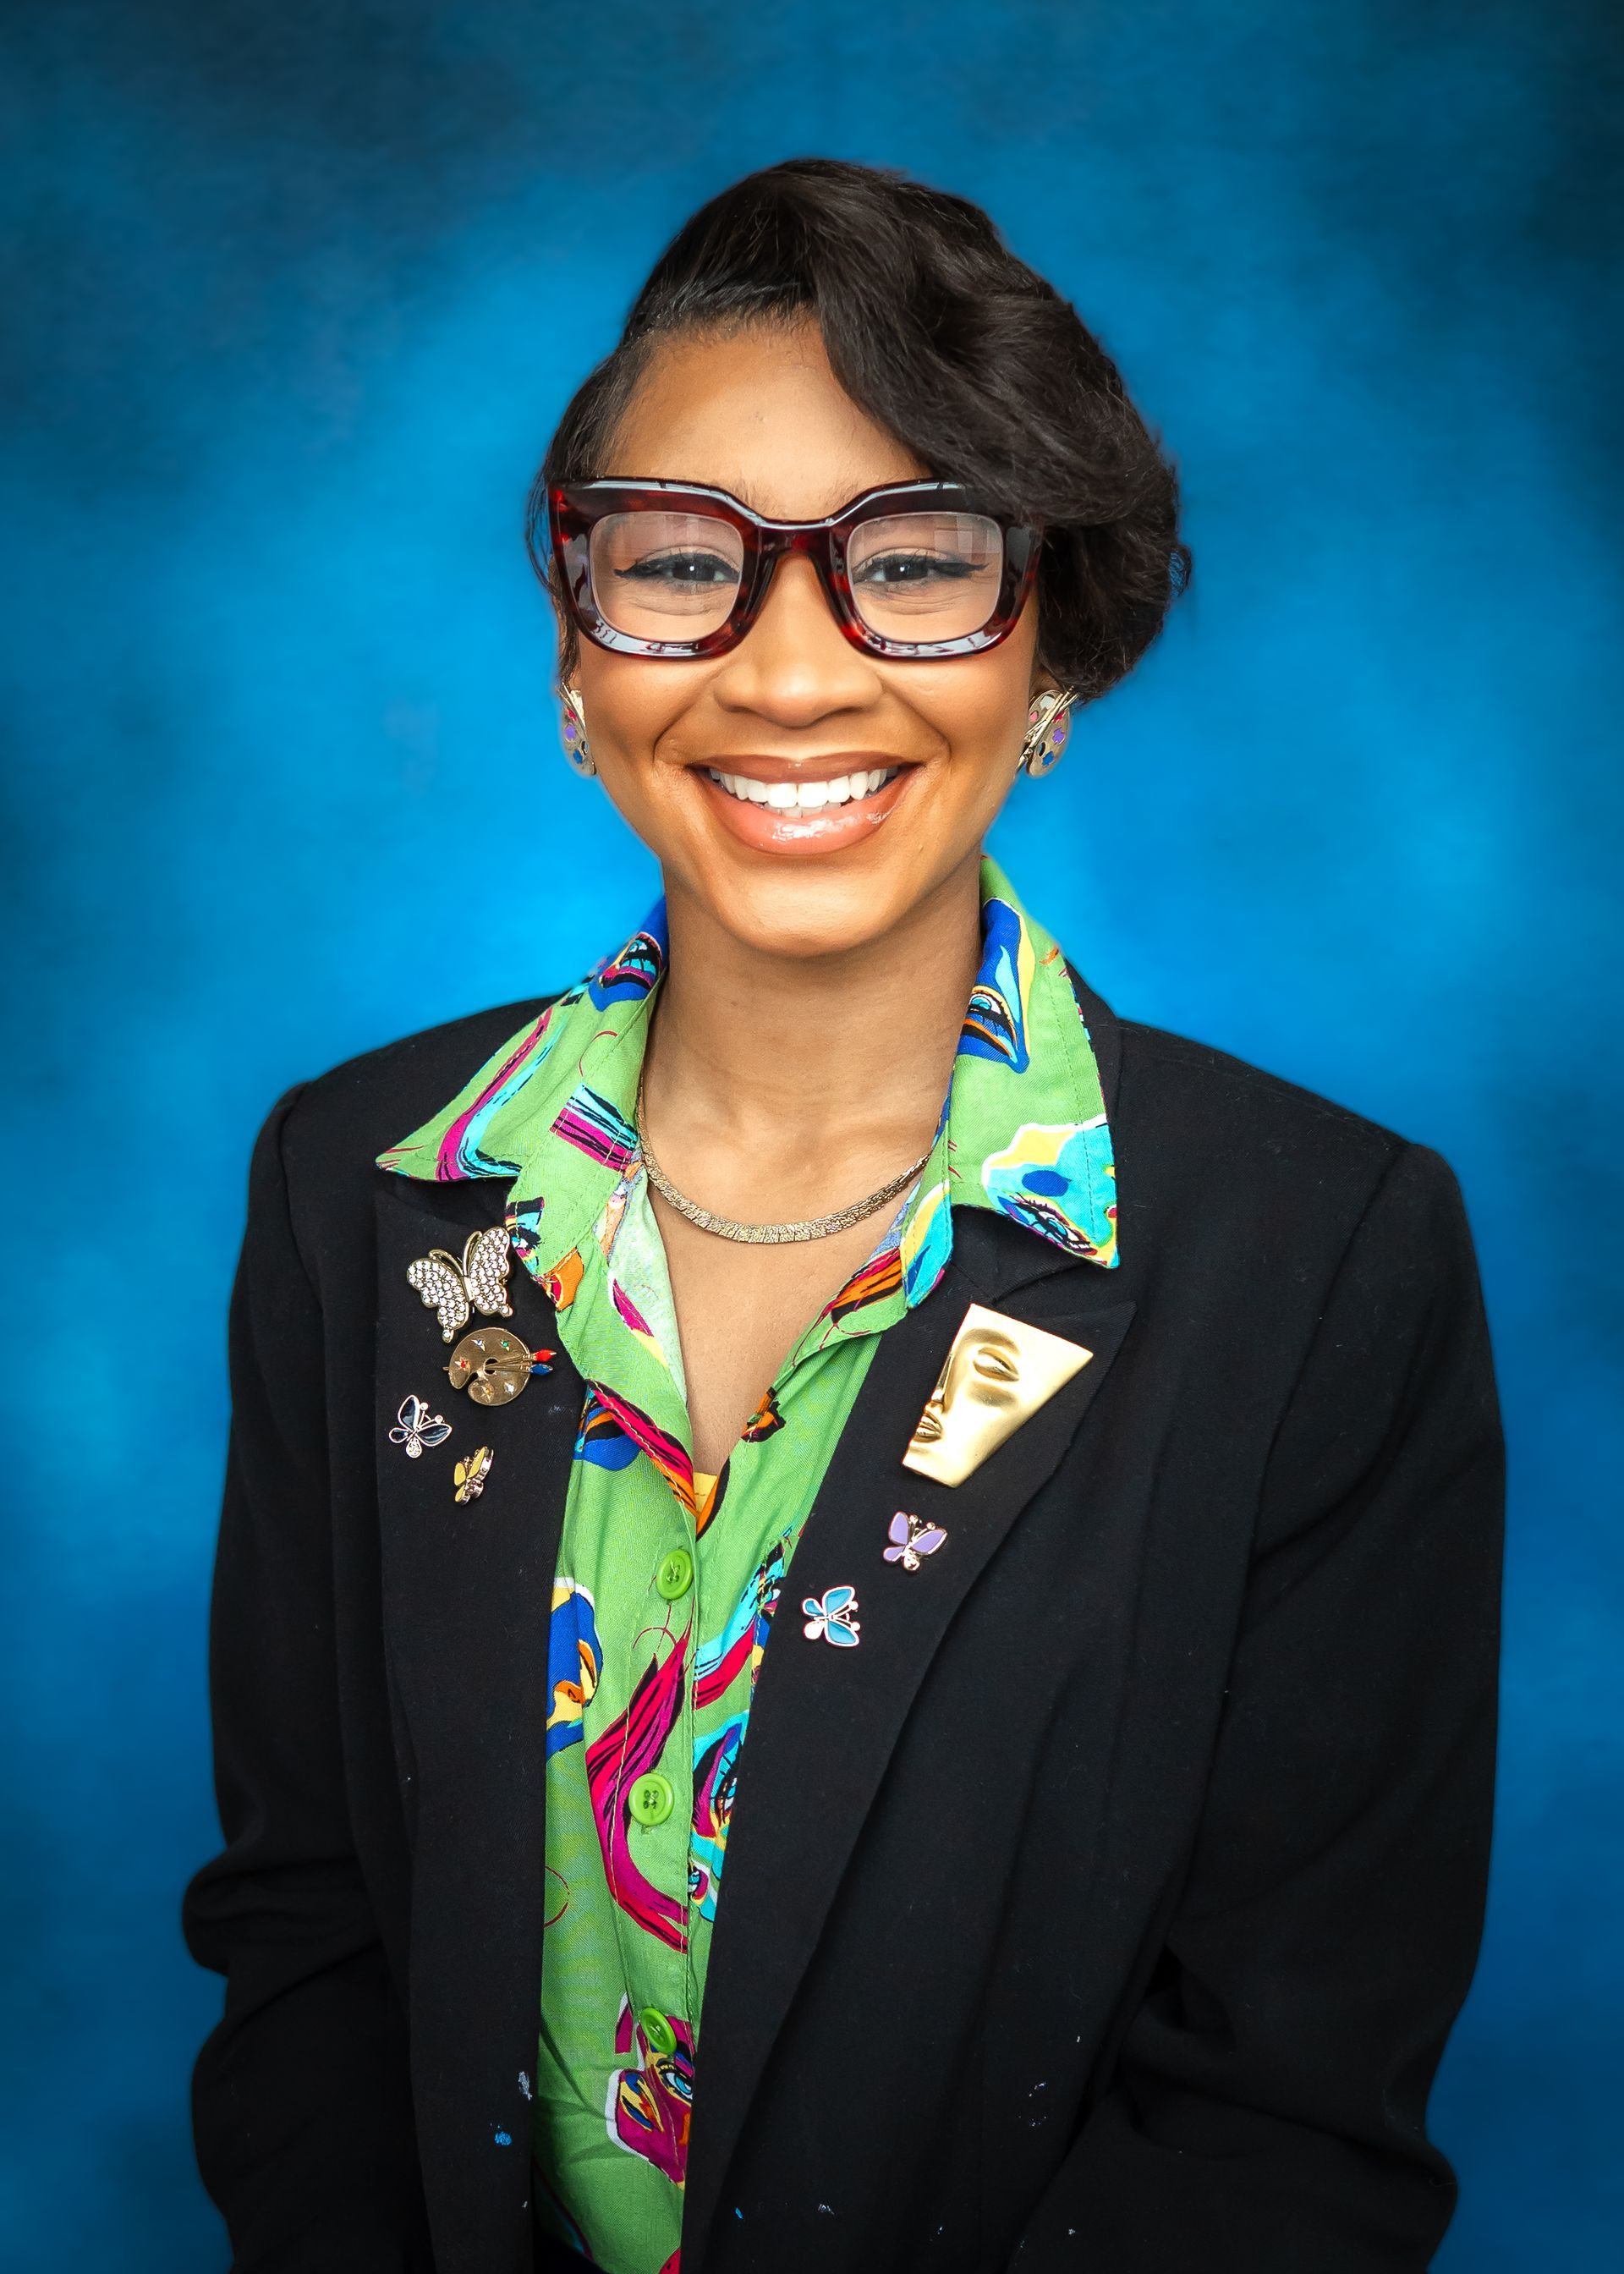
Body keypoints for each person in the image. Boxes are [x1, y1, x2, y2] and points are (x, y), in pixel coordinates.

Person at [183, 158, 1503, 2274]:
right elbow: (308, 1943)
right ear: (578, 657)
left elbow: (1286, 2111)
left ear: (1050, 647)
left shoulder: (1322, 1256)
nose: (789, 675)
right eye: (682, 564)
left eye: (917, 562)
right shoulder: (363, 1190)